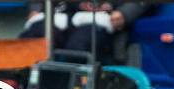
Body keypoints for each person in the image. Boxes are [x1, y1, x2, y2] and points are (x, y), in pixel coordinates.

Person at [20, 1, 151, 65]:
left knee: (78, 46)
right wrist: (36, 9)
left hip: (103, 21)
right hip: (63, 16)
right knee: (34, 36)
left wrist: (124, 13)